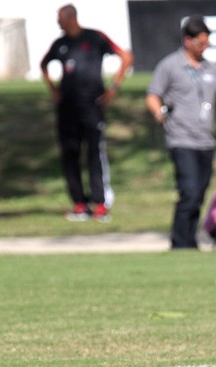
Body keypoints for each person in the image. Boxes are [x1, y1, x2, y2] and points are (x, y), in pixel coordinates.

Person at [146, 15, 216, 250]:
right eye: (200, 43)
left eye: (207, 43)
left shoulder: (211, 69)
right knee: (189, 190)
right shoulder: (170, 65)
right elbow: (153, 94)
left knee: (200, 192)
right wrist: (158, 113)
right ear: (188, 41)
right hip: (181, 139)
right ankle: (180, 241)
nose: (204, 47)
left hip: (206, 141)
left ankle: (190, 240)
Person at [40, 3, 133, 222]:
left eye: (60, 18)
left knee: (94, 154)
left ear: (70, 18)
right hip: (67, 108)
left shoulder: (95, 38)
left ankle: (100, 203)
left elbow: (126, 57)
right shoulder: (60, 44)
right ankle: (79, 204)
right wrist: (54, 90)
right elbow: (43, 65)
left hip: (92, 106)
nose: (58, 23)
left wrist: (113, 89)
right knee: (70, 154)